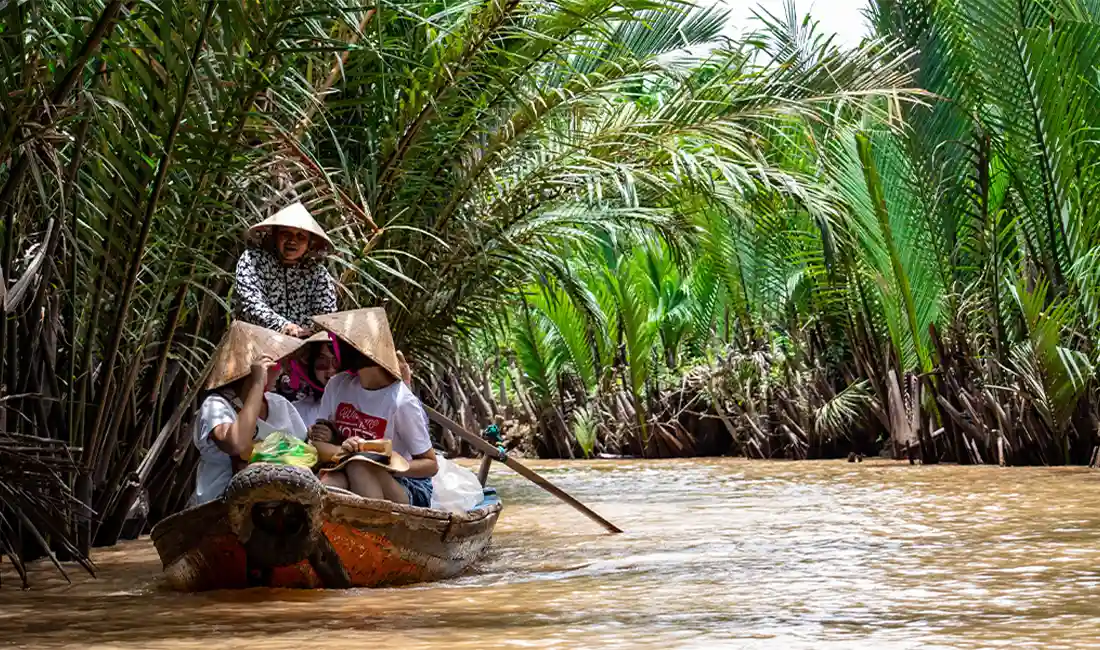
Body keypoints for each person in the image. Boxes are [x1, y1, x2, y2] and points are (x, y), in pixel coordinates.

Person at [307, 308, 438, 507]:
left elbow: (430, 464)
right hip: (348, 467)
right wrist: (344, 451)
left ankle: (377, 529)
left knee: (359, 465)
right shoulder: (338, 385)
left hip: (406, 484)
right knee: (333, 480)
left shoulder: (401, 401)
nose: (336, 348)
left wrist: (387, 464)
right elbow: (317, 443)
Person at [191, 321, 308, 506]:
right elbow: (236, 443)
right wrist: (257, 383)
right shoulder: (216, 405)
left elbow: (304, 449)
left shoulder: (280, 404)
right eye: (275, 365)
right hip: (221, 505)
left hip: (278, 504)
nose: (282, 371)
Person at [234, 201, 337, 339]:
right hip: (256, 343)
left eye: (301, 236)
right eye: (286, 234)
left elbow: (327, 317)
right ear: (275, 235)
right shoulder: (253, 260)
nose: (292, 241)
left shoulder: (318, 274)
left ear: (310, 243)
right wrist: (284, 327)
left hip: (302, 349)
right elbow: (250, 304)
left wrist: (311, 335)